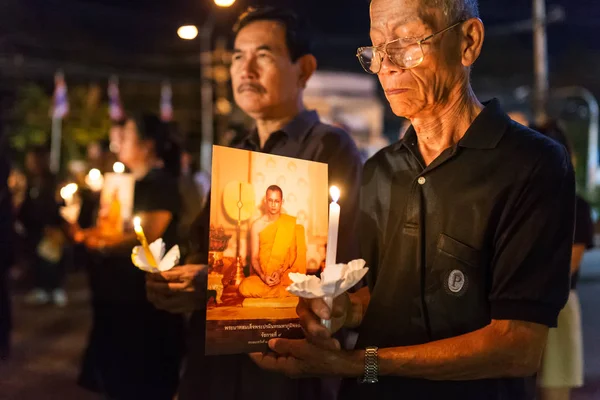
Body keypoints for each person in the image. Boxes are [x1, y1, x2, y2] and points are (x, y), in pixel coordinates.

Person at [249, 1, 576, 400]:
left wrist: (360, 364)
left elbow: (516, 347)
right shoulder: (380, 171)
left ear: (468, 41)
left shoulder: (530, 164)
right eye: (376, 49)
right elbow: (381, 294)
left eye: (405, 43)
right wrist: (344, 311)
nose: (386, 66)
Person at [145, 6, 363, 400]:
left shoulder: (329, 147)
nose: (246, 71)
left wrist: (210, 283)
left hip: (286, 370)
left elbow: (339, 263)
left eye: (263, 56)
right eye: (237, 58)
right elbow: (205, 244)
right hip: (214, 370)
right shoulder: (235, 151)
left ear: (304, 69)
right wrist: (181, 279)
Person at [75, 113, 184, 400]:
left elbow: (145, 235)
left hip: (143, 305)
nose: (118, 141)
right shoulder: (124, 182)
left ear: (147, 145)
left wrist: (100, 243)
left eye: (127, 135)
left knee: (141, 383)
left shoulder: (160, 184)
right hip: (116, 301)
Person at [534, 120, 593, 400]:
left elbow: (568, 266)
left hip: (555, 304)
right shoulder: (517, 204)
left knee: (554, 389)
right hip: (532, 303)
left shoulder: (574, 205)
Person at [16, 146, 67, 306]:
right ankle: (41, 288)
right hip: (34, 228)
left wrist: (52, 223)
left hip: (50, 228)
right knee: (38, 259)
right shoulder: (30, 181)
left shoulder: (52, 181)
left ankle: (56, 288)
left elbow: (56, 204)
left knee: (52, 260)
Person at [239, 185, 305, 298]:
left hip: (284, 275)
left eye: (277, 201)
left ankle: (277, 291)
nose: (273, 205)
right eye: (270, 200)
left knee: (299, 282)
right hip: (263, 276)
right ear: (265, 200)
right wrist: (263, 276)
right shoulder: (257, 225)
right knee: (244, 287)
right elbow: (254, 257)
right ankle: (284, 292)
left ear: (282, 202)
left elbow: (292, 257)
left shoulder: (289, 224)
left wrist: (279, 272)